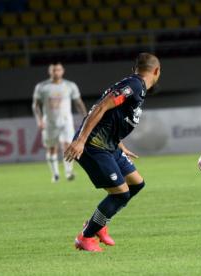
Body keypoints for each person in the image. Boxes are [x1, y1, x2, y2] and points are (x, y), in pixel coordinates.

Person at [64, 53, 161, 252]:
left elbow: (113, 116)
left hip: (110, 145)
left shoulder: (137, 87)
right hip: (94, 146)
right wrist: (80, 140)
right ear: (157, 71)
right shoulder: (134, 85)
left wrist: (119, 143)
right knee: (120, 194)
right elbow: (100, 108)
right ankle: (86, 236)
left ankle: (97, 223)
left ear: (135, 68)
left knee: (137, 183)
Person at [32, 62, 87, 183]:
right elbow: (36, 105)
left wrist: (85, 117)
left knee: (67, 146)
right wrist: (39, 120)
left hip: (66, 121)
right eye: (54, 70)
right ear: (50, 71)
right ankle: (55, 174)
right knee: (52, 149)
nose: (56, 72)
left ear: (62, 71)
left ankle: (69, 172)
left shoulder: (70, 85)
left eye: (58, 70)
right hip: (50, 122)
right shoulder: (42, 87)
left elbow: (78, 102)